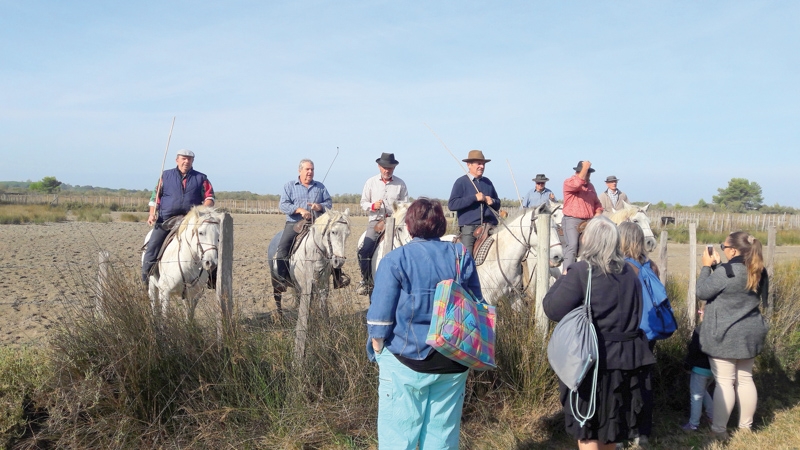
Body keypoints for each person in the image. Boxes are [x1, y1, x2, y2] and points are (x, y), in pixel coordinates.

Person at [366, 198, 482, 449]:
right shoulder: (460, 254)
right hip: (454, 359)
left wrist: (378, 349)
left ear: (408, 226)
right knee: (442, 438)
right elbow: (476, 303)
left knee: (399, 437)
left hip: (405, 361)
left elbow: (380, 318)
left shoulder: (396, 259)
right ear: (441, 225)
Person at [543, 216, 655, 450]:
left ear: (587, 241)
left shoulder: (581, 271)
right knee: (611, 430)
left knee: (588, 430)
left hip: (590, 362)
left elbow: (552, 309)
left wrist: (562, 278)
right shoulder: (631, 273)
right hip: (627, 361)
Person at [697, 231, 768, 439]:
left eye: (724, 247)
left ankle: (719, 431)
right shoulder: (758, 270)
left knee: (725, 382)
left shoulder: (726, 272)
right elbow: (735, 285)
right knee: (745, 379)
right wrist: (719, 267)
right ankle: (746, 428)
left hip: (725, 335)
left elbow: (702, 292)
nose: (722, 250)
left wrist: (705, 267)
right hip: (750, 333)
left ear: (734, 250)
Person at [142, 149, 214, 285]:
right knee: (152, 246)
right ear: (177, 160)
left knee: (211, 246)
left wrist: (202, 211)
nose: (186, 161)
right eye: (183, 158)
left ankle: (213, 279)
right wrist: (152, 214)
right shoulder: (165, 176)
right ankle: (146, 279)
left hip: (191, 221)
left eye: (189, 159)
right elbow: (154, 198)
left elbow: (209, 198)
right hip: (166, 220)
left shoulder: (201, 178)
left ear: (193, 161)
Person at [618, 221, 660, 444]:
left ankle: (624, 431)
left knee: (623, 382)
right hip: (649, 331)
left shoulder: (621, 267)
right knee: (645, 380)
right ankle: (643, 432)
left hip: (628, 331)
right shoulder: (650, 265)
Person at [274, 159, 333, 286]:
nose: (310, 172)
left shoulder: (320, 187)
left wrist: (320, 206)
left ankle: (338, 277)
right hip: (294, 224)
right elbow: (283, 205)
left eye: (312, 169)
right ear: (300, 170)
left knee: (333, 246)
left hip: (317, 224)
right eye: (307, 169)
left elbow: (329, 203)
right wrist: (299, 210)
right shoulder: (289, 186)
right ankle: (282, 280)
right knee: (283, 248)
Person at [356, 152, 408, 296]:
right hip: (376, 222)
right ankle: (366, 281)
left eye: (390, 168)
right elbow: (363, 203)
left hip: (395, 222)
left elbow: (404, 205)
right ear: (379, 166)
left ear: (394, 168)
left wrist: (397, 211)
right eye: (385, 167)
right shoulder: (370, 182)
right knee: (365, 249)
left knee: (408, 246)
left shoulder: (400, 184)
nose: (387, 170)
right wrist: (373, 206)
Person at [447, 150, 501, 255]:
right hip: (470, 228)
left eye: (483, 164)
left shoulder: (488, 182)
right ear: (469, 165)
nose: (482, 166)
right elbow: (452, 204)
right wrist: (474, 198)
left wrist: (492, 201)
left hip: (491, 226)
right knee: (467, 258)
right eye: (478, 163)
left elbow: (498, 204)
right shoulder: (461, 182)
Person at [561, 160, 603, 273]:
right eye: (587, 172)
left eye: (589, 173)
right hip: (572, 219)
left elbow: (597, 203)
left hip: (589, 221)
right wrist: (585, 168)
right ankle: (566, 273)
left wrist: (598, 213)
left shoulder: (591, 187)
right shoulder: (569, 182)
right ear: (579, 172)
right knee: (573, 245)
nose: (588, 175)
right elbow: (577, 184)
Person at [681, 306, 714, 431]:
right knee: (703, 392)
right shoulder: (718, 330)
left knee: (696, 396)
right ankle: (713, 416)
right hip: (714, 369)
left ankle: (693, 423)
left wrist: (687, 364)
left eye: (700, 311)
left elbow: (693, 350)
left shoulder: (700, 330)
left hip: (700, 369)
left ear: (703, 314)